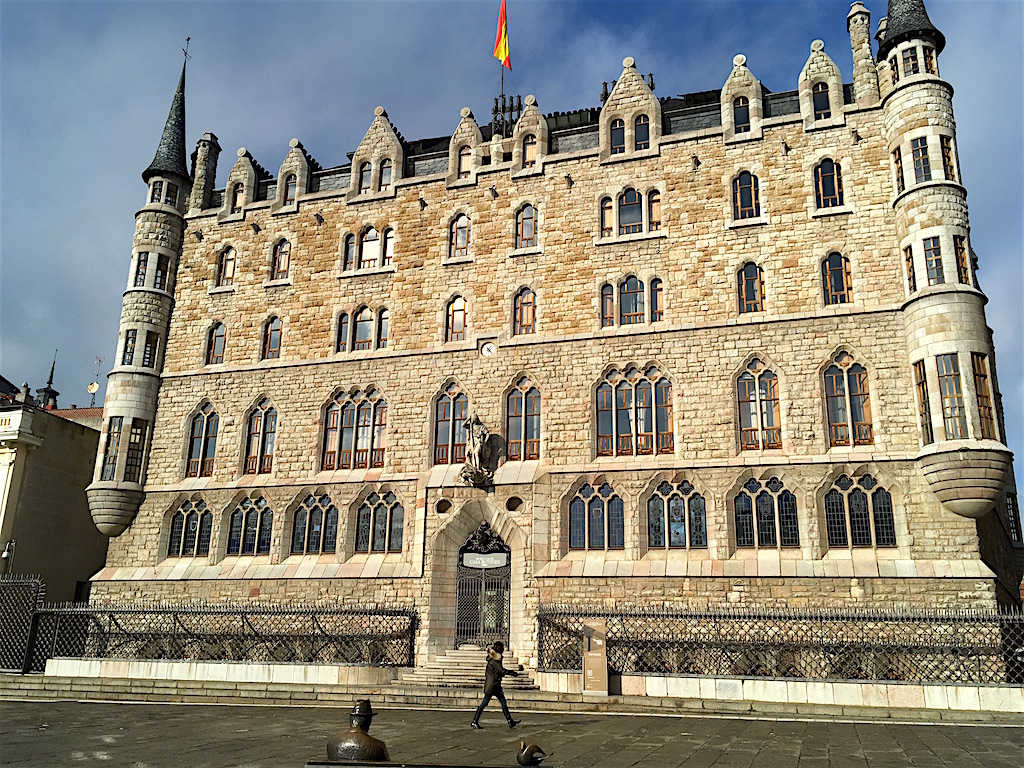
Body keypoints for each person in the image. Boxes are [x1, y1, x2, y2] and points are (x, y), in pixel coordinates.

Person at [470, 641, 521, 729]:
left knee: (498, 702)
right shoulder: (494, 661)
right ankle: (475, 721)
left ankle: (510, 721)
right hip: (493, 686)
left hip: (493, 685)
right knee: (493, 703)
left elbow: (496, 672)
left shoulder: (494, 659)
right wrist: (512, 673)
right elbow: (501, 670)